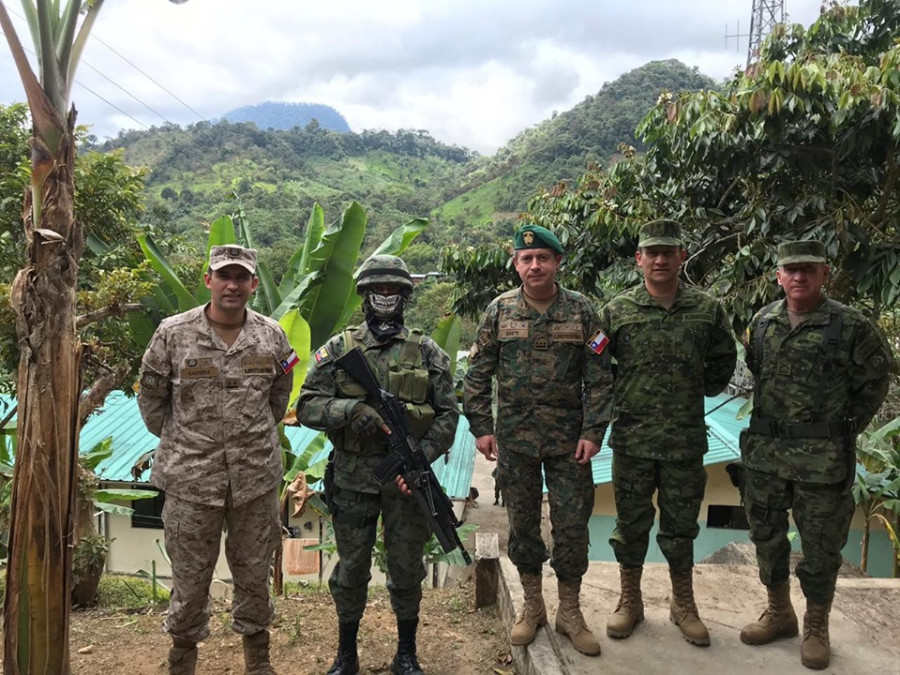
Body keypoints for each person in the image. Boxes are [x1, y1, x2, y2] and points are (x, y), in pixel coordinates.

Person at [296, 254, 459, 675]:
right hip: (353, 479)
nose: (385, 297)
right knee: (351, 568)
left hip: (407, 480)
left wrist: (419, 458)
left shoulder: (428, 351)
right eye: (377, 290)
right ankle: (346, 654)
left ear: (404, 296)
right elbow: (307, 405)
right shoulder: (338, 350)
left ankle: (406, 653)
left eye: (393, 290)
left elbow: (448, 415)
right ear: (365, 295)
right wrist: (350, 410)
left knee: (406, 566)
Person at [138, 245, 296, 675]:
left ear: (253, 285)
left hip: (254, 480)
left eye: (241, 277)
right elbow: (151, 400)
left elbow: (280, 396)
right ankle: (181, 662)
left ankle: (258, 662)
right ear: (208, 280)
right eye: (223, 276)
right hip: (190, 483)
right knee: (189, 583)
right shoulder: (173, 333)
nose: (232, 285)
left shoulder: (272, 336)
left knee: (253, 575)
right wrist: (185, 443)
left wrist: (250, 438)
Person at [739, 240, 894, 670]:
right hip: (767, 456)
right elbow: (757, 371)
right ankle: (779, 612)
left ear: (824, 273)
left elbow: (874, 381)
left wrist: (840, 429)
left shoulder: (850, 325)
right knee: (766, 538)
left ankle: (816, 625)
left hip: (822, 461)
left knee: (822, 547)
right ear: (779, 276)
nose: (799, 277)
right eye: (791, 270)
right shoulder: (763, 322)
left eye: (809, 269)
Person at [463, 224, 613, 657]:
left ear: (557, 262)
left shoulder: (583, 312)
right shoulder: (498, 311)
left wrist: (593, 432)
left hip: (570, 446)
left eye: (543, 257)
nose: (534, 265)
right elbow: (477, 374)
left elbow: (600, 378)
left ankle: (569, 611)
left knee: (571, 527)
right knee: (524, 527)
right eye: (526, 259)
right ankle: (533, 606)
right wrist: (482, 427)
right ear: (516, 264)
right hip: (515, 443)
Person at [599, 219, 737, 647]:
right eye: (651, 252)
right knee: (631, 523)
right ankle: (630, 601)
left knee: (681, 526)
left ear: (682, 257)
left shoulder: (708, 310)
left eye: (668, 252)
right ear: (638, 259)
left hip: (684, 442)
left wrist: (688, 391)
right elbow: (597, 363)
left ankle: (682, 603)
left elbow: (722, 364)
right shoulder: (615, 311)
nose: (660, 259)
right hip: (633, 441)